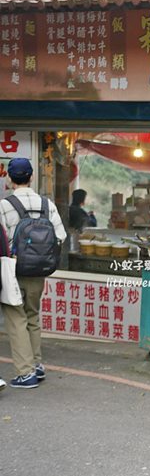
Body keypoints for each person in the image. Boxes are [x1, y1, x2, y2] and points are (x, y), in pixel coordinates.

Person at [0, 157, 67, 390]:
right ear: (31, 177)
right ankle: (37, 365)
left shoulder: (4, 205)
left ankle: (25, 372)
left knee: (16, 318)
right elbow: (61, 236)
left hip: (13, 269)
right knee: (32, 315)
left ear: (9, 178)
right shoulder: (47, 204)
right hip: (39, 269)